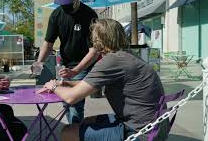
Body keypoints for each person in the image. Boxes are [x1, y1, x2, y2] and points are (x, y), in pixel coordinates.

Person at [37, 19, 168, 140]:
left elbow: (72, 98)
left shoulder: (112, 60)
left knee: (67, 132)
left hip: (140, 132)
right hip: (155, 126)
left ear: (98, 40)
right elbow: (90, 84)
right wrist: (64, 83)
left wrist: (53, 86)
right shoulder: (126, 56)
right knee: (87, 121)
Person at [34, 0, 99, 124]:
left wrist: (75, 71)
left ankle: (75, 134)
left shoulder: (90, 16)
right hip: (64, 64)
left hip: (82, 64)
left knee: (75, 103)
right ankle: (72, 132)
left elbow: (94, 51)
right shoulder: (57, 15)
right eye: (62, 3)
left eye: (68, 4)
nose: (65, 7)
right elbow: (48, 43)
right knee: (64, 100)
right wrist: (38, 65)